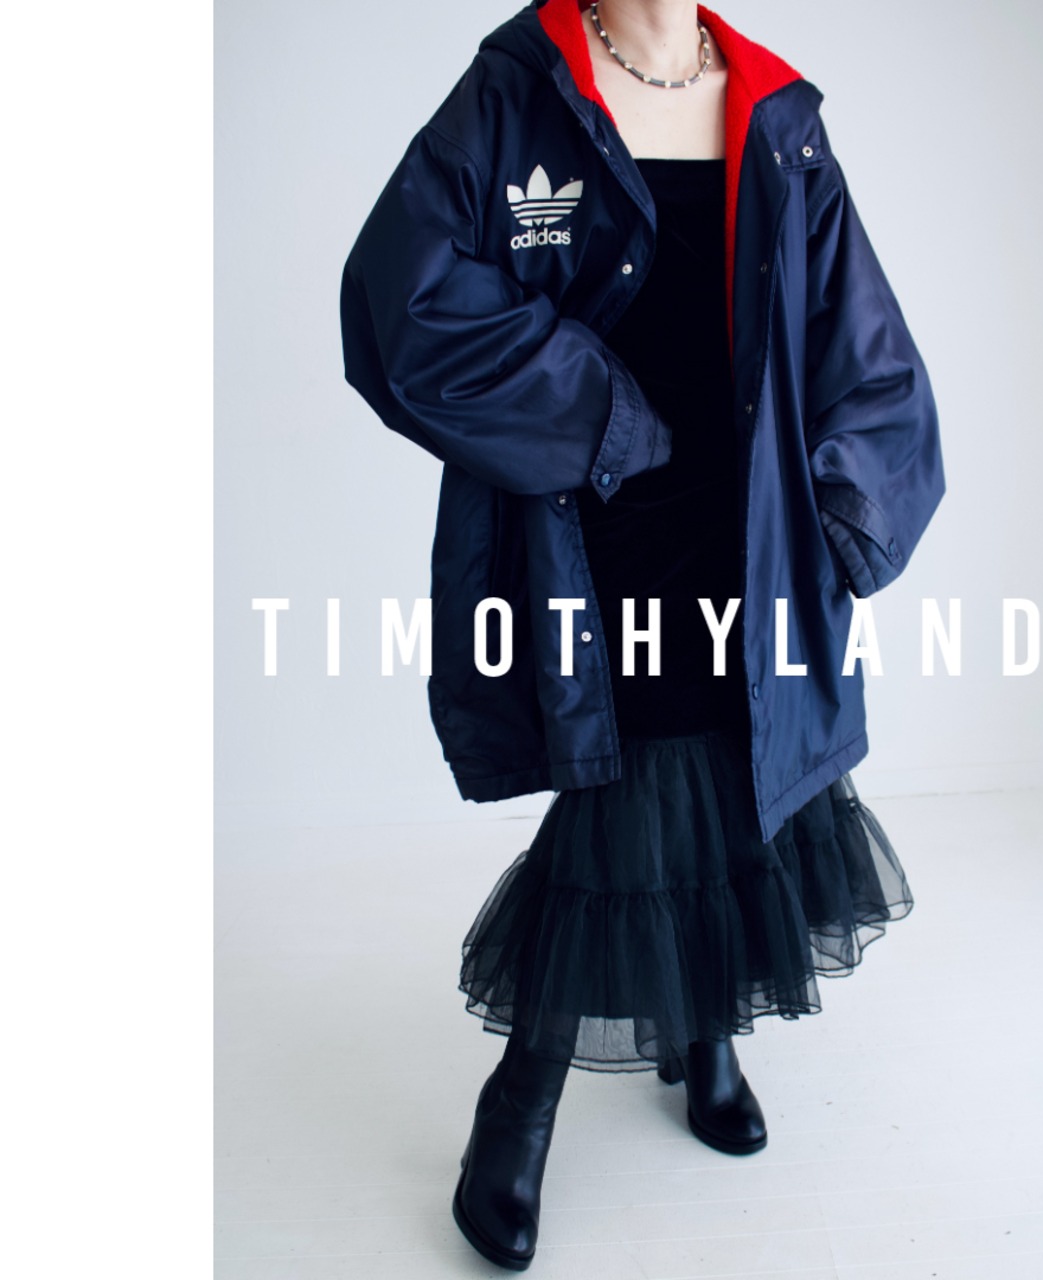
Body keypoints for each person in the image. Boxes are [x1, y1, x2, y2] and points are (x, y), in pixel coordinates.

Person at [339, 0, 945, 1269]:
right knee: (628, 796)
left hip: (747, 523)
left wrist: (848, 512)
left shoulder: (777, 115)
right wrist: (597, 412)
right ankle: (522, 1096)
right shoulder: (518, 92)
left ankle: (700, 1027)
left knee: (736, 762)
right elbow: (402, 301)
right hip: (592, 521)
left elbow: (862, 342)